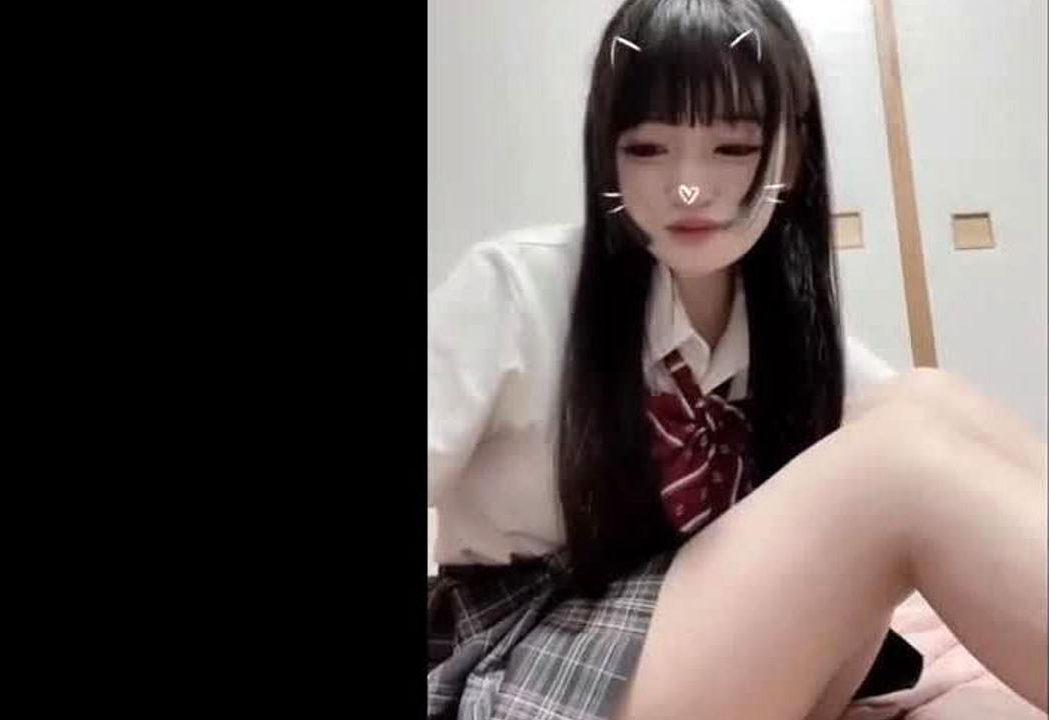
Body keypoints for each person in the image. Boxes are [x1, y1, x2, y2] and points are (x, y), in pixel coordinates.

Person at [425, 1, 1049, 718]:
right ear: (606, 155)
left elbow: (927, 436)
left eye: (732, 148)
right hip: (522, 650)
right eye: (647, 148)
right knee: (902, 466)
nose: (689, 188)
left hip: (683, 628)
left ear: (793, 156)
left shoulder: (776, 320)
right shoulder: (518, 287)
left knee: (923, 400)